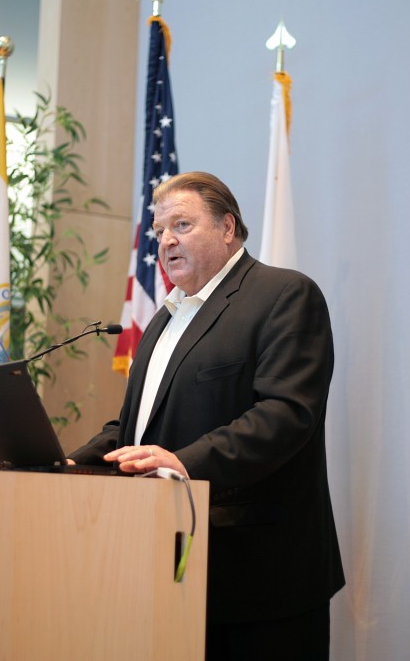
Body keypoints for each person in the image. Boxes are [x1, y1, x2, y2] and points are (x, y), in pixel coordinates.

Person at [70, 171, 344, 660]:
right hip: (171, 566)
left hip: (259, 577)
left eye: (182, 224)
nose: (167, 240)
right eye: (160, 232)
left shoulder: (284, 295)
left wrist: (184, 462)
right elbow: (134, 428)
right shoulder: (165, 318)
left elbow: (285, 415)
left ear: (227, 228)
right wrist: (69, 463)